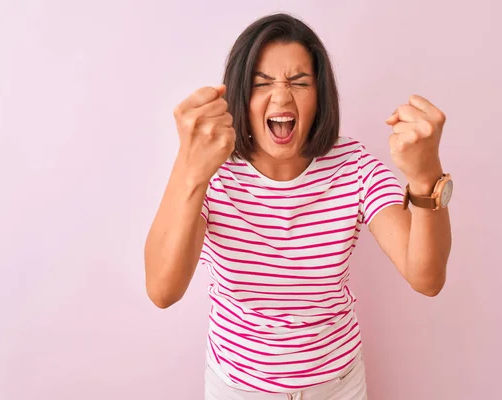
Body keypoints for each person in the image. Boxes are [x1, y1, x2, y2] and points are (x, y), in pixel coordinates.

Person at [144, 12, 452, 400]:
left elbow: (426, 278)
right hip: (237, 389)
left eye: (299, 82)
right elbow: (161, 290)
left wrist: (426, 178)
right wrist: (190, 167)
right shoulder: (213, 172)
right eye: (263, 83)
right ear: (240, 94)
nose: (282, 96)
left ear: (319, 95)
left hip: (338, 386)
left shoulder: (354, 166)